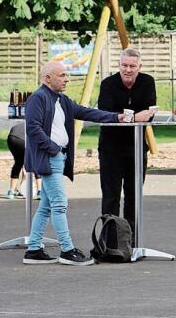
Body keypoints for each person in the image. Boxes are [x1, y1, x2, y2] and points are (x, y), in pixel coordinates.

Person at [22, 62, 153, 266]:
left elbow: (88, 113)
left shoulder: (62, 100)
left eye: (66, 75)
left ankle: (33, 249)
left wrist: (119, 117)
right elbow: (33, 128)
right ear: (48, 78)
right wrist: (54, 148)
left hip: (57, 158)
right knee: (59, 203)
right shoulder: (37, 99)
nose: (67, 79)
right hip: (48, 159)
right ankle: (67, 250)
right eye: (62, 75)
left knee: (47, 205)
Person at [97, 48, 156, 227]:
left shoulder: (147, 82)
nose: (128, 70)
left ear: (139, 67)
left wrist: (124, 116)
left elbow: (151, 113)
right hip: (111, 149)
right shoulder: (108, 84)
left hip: (136, 148)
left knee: (134, 195)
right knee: (110, 196)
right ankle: (111, 241)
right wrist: (135, 117)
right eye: (124, 65)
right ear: (119, 65)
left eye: (132, 66)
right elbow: (106, 113)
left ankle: (132, 240)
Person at [6, 122, 40, 199]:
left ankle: (11, 191)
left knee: (18, 162)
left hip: (11, 139)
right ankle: (40, 191)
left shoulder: (26, 123)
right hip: (23, 140)